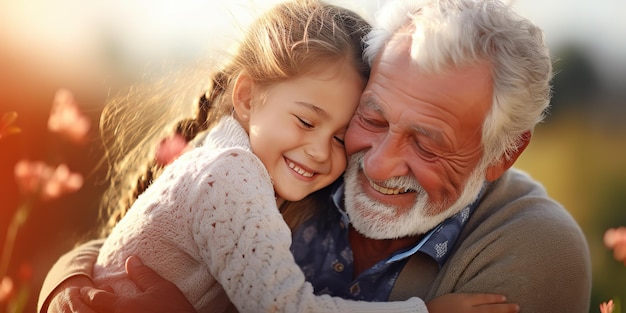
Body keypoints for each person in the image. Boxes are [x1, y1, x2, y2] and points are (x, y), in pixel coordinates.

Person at [39, 0, 592, 312]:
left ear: (503, 153)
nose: (375, 165)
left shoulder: (534, 250)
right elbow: (139, 237)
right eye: (372, 118)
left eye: (427, 143)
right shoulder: (313, 163)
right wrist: (70, 295)